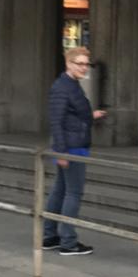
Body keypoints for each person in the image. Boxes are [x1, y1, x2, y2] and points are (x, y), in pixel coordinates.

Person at [43, 46, 106, 256]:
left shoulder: (70, 85)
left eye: (86, 64)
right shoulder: (63, 87)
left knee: (60, 190)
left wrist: (91, 115)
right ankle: (68, 241)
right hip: (72, 147)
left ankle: (50, 235)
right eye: (79, 63)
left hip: (71, 144)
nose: (84, 68)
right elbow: (56, 121)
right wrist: (61, 152)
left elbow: (72, 114)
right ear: (69, 64)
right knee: (73, 193)